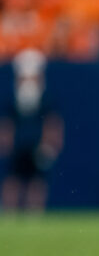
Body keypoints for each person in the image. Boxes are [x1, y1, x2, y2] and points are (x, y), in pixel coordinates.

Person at [0, 49, 64, 211]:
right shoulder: (13, 98)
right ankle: (9, 212)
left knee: (37, 181)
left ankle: (34, 214)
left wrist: (50, 144)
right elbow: (7, 124)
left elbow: (52, 123)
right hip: (18, 146)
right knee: (13, 179)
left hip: (37, 146)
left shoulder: (46, 98)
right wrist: (5, 142)